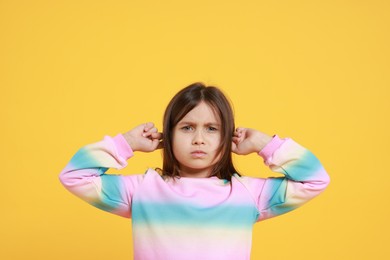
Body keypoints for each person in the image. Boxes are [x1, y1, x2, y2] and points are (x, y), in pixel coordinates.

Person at [59, 82, 330, 260]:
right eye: (187, 128)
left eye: (212, 129)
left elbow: (314, 179)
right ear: (169, 135)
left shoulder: (247, 194)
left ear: (227, 137)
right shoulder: (143, 190)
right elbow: (74, 175)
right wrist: (126, 143)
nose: (199, 139)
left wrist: (264, 144)